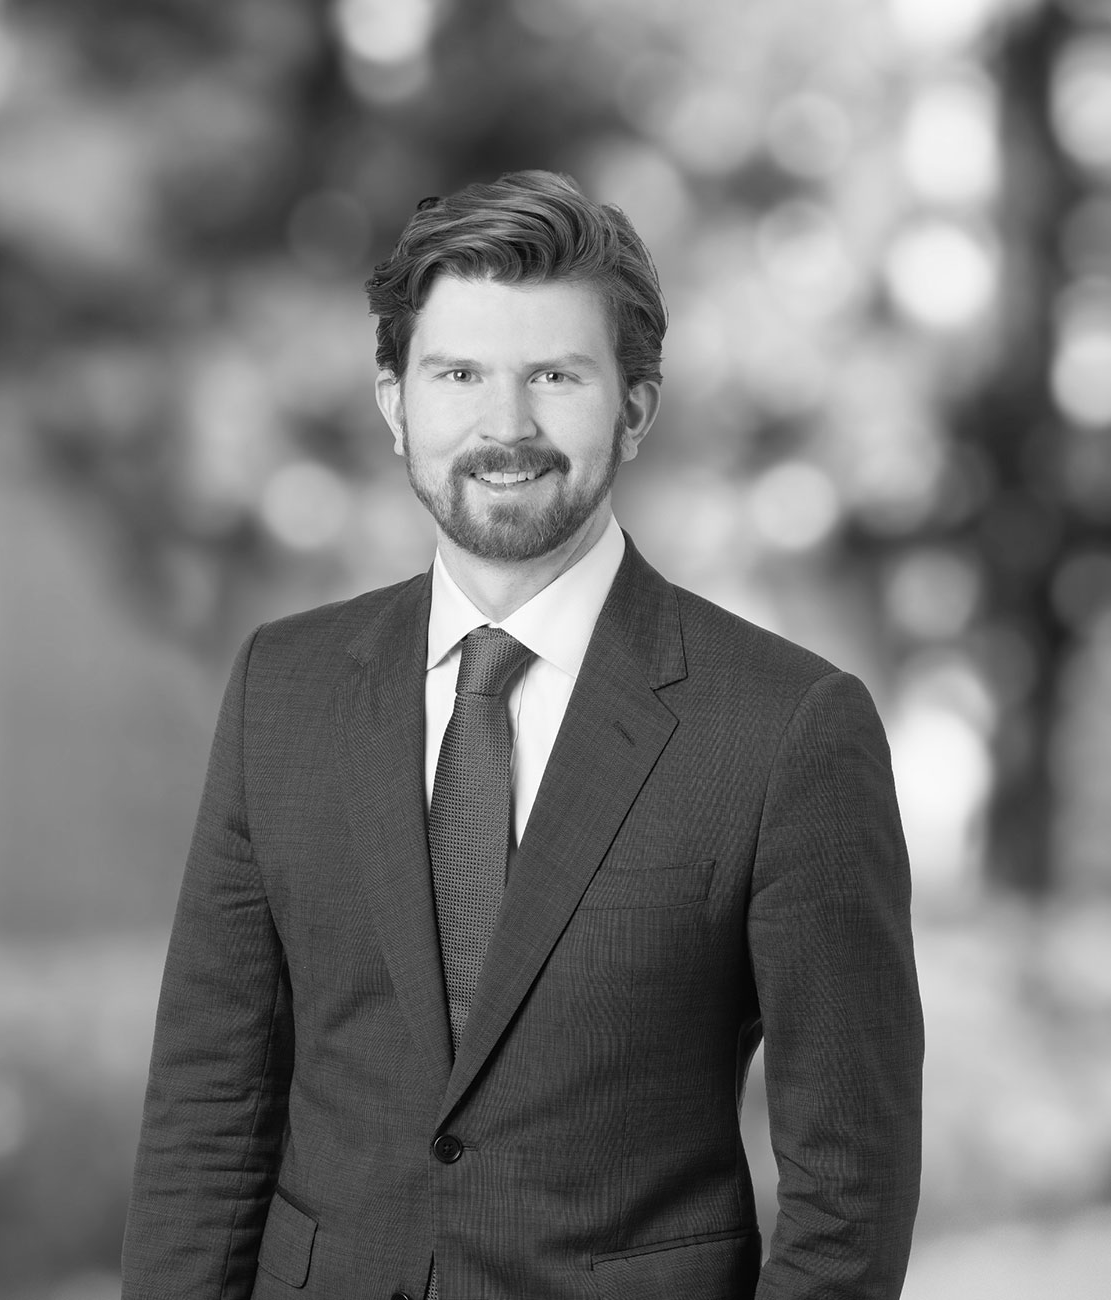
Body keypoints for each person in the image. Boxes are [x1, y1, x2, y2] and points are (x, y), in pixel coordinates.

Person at [121, 170, 923, 1300]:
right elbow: (209, 1104)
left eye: (555, 375)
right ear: (394, 403)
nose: (505, 427)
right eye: (458, 375)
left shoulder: (784, 728)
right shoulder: (281, 689)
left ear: (633, 408)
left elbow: (850, 1186)